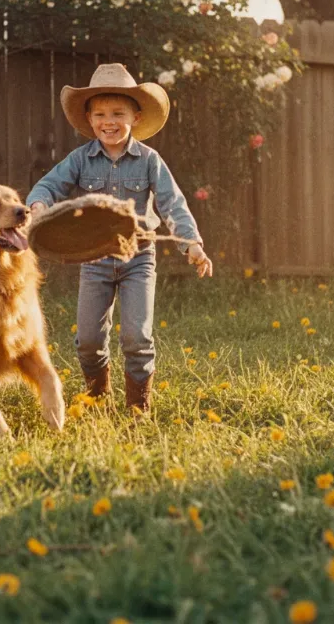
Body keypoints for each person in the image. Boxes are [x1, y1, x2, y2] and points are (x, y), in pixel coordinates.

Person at [26, 63, 212, 413]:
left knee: (136, 336)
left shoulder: (150, 161)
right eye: (100, 114)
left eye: (118, 113)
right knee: (88, 340)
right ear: (89, 118)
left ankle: (138, 404)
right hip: (94, 259)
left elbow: (173, 203)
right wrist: (38, 205)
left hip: (138, 259)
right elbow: (48, 186)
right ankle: (97, 395)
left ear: (136, 116)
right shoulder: (80, 160)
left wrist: (192, 243)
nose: (108, 121)